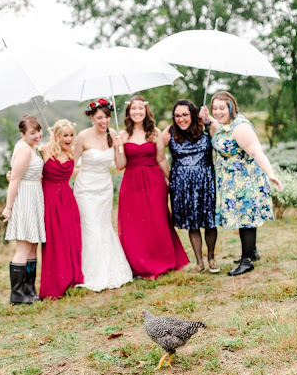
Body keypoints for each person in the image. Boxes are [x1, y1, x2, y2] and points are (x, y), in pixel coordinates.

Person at [200, 91, 283, 276]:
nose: (218, 112)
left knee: (246, 219)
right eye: (215, 108)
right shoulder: (224, 124)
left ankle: (246, 261)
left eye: (222, 108)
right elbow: (218, 124)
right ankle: (251, 251)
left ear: (231, 107)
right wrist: (208, 117)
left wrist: (271, 173)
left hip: (244, 182)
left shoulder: (240, 128)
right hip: (232, 181)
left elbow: (256, 152)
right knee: (244, 217)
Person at [114, 95, 189, 278]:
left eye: (140, 108)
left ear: (146, 111)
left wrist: (172, 179)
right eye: (133, 109)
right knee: (135, 225)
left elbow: (161, 159)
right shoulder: (122, 135)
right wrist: (118, 147)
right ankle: (139, 264)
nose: (137, 112)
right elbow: (120, 164)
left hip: (154, 181)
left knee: (157, 220)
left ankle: (162, 260)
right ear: (128, 112)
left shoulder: (155, 132)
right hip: (131, 182)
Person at [73, 98, 132, 291]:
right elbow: (70, 165)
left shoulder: (113, 134)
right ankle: (90, 273)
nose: (103, 122)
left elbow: (120, 164)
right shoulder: (82, 136)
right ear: (91, 117)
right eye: (99, 118)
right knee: (90, 227)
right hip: (85, 188)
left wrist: (119, 146)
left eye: (106, 118)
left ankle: (111, 269)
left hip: (105, 187)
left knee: (104, 226)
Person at [160, 99, 218, 274]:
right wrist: (171, 176)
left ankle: (212, 258)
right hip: (182, 185)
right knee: (192, 223)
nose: (181, 119)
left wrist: (209, 118)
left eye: (185, 115)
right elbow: (158, 155)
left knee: (209, 221)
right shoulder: (169, 132)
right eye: (177, 116)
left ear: (192, 114)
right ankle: (199, 262)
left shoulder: (205, 128)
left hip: (205, 182)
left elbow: (221, 130)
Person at [2, 115, 46, 304]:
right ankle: (17, 293)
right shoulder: (25, 151)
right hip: (25, 198)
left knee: (32, 247)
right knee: (24, 247)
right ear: (22, 134)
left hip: (34, 196)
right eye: (32, 133)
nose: (37, 136)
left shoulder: (31, 147)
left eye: (39, 131)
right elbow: (15, 179)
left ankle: (29, 289)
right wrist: (8, 207)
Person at [39, 119, 84, 299]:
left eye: (71, 135)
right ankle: (54, 284)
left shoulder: (72, 153)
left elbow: (70, 171)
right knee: (53, 239)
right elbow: (33, 169)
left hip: (66, 198)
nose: (68, 138)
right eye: (65, 135)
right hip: (49, 198)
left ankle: (70, 278)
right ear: (56, 135)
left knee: (69, 237)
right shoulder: (44, 150)